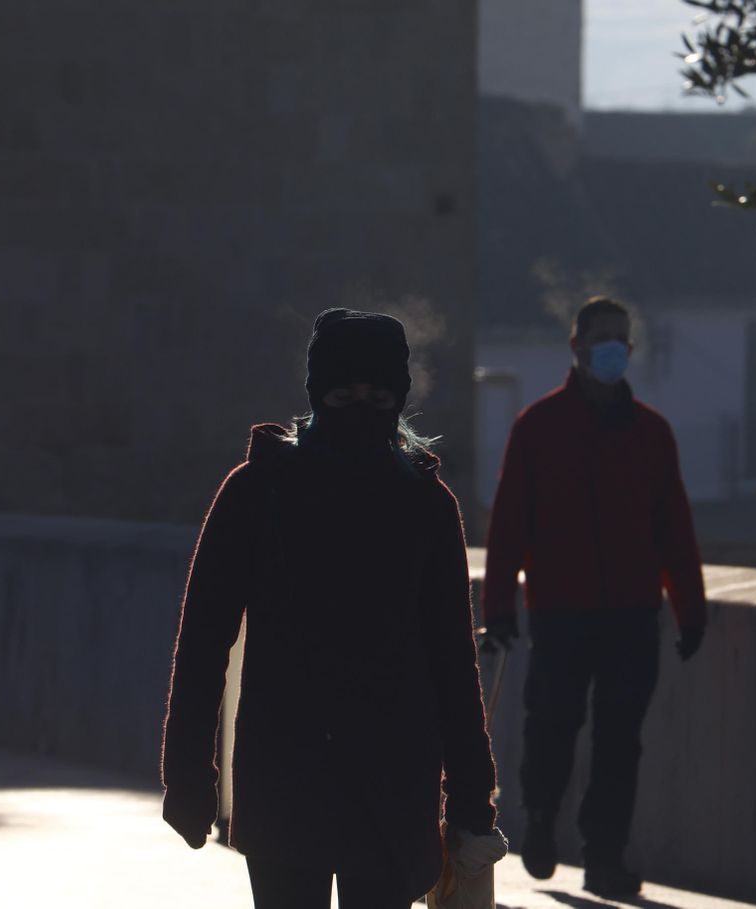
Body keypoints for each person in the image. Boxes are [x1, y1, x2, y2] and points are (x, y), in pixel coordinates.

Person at [160, 309, 509, 909]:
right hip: (286, 775)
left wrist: (473, 802)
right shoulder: (255, 492)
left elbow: (454, 664)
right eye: (343, 393)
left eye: (377, 395)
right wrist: (187, 777)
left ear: (398, 401)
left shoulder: (425, 506)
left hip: (393, 784)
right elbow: (201, 641)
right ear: (316, 395)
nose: (359, 408)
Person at [479, 296, 707, 898]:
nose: (614, 349)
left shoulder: (653, 434)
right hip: (559, 611)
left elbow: (674, 530)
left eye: (622, 340)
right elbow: (509, 527)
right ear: (577, 348)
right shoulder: (538, 426)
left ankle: (605, 858)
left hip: (633, 614)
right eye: (603, 337)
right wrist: (498, 608)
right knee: (550, 725)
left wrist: (691, 609)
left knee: (619, 741)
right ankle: (542, 821)